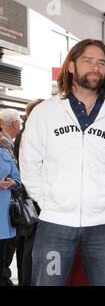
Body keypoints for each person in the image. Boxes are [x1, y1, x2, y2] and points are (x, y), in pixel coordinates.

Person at [19, 39, 105, 286]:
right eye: (88, 61)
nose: (95, 67)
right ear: (70, 66)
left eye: (101, 63)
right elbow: (28, 162)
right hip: (55, 226)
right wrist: (48, 201)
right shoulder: (45, 113)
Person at [13, 99, 44, 286]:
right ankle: (28, 280)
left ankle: (27, 279)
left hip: (27, 198)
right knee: (30, 244)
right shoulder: (29, 135)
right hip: (32, 199)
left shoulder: (24, 134)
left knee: (25, 244)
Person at [0, 108, 22, 286]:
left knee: (4, 261)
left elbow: (17, 176)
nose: (2, 134)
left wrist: (13, 182)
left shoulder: (5, 152)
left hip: (6, 219)